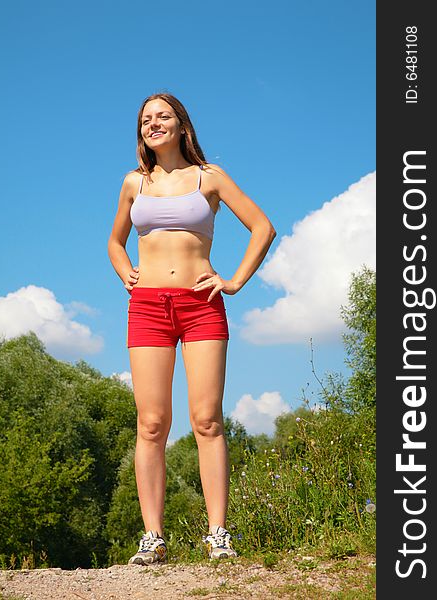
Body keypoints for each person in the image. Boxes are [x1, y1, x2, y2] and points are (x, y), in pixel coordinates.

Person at [107, 92, 276, 565]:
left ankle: (218, 533)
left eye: (163, 117)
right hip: (147, 308)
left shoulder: (210, 178)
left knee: (207, 420)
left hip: (202, 306)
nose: (153, 124)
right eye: (145, 119)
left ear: (182, 125)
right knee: (152, 422)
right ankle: (153, 538)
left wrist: (235, 280)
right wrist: (125, 272)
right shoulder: (133, 184)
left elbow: (262, 227)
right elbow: (115, 242)